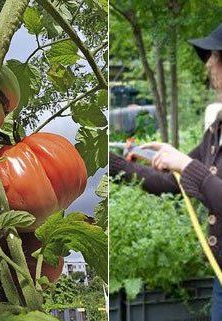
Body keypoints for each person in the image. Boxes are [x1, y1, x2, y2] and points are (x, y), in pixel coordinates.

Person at [110, 23, 222, 321]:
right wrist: (117, 165)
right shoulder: (217, 129)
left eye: (215, 58)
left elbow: (196, 175)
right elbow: (174, 183)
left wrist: (185, 164)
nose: (210, 66)